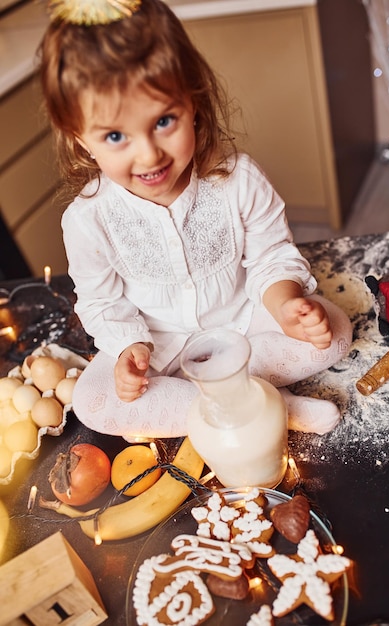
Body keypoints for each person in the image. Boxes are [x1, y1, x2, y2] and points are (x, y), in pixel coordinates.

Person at [38, 0, 352, 441]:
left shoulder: (238, 179)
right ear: (80, 138)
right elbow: (103, 303)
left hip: (244, 320)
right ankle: (274, 407)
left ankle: (201, 400)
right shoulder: (88, 220)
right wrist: (131, 348)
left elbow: (272, 255)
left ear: (193, 104)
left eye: (164, 120)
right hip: (159, 343)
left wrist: (286, 307)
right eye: (115, 136)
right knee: (94, 402)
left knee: (334, 333)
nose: (148, 154)